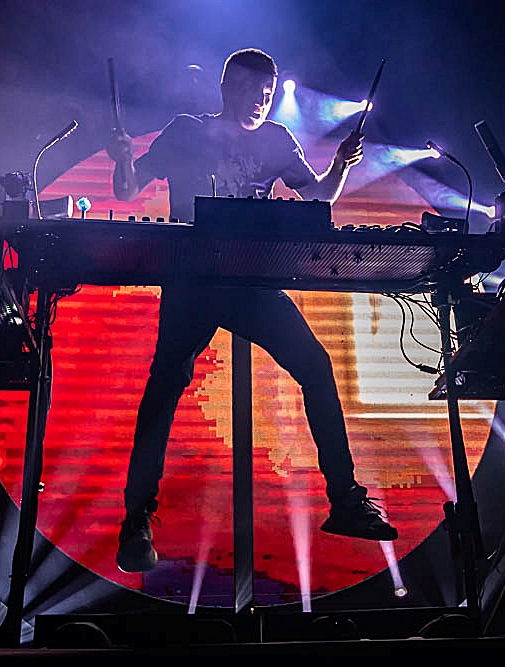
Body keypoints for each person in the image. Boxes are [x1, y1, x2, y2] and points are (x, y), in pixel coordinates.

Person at [106, 47, 397, 573]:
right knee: (165, 385)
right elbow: (127, 190)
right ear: (225, 88)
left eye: (268, 94)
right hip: (194, 277)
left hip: (250, 281)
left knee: (315, 366)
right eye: (250, 91)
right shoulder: (186, 130)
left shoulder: (276, 140)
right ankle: (136, 520)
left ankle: (346, 502)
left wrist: (339, 165)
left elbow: (318, 199)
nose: (261, 102)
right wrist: (124, 157)